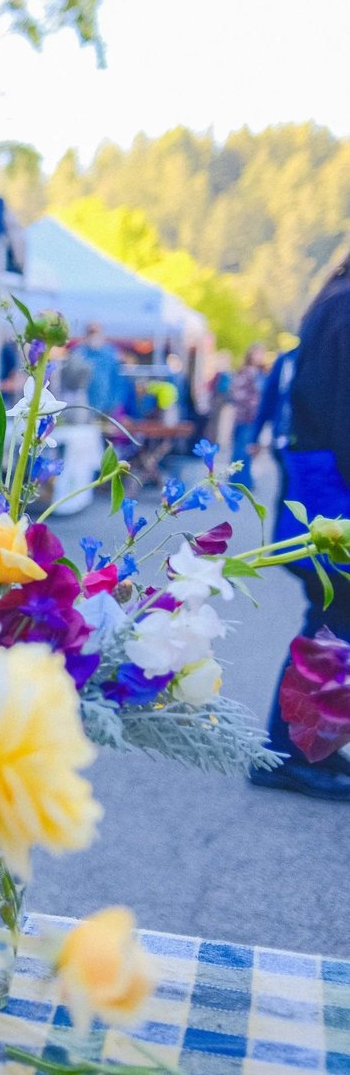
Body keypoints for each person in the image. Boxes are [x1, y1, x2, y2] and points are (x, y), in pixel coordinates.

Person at [250, 250, 350, 800]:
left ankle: (309, 746)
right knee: (333, 622)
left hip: (323, 484)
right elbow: (343, 416)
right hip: (333, 493)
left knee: (334, 620)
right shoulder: (345, 308)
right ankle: (290, 751)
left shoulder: (334, 301)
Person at [227, 344, 266, 489]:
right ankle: (239, 482)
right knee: (242, 450)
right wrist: (253, 406)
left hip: (248, 417)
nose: (260, 357)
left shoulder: (257, 372)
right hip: (246, 417)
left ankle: (242, 481)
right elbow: (237, 394)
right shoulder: (248, 372)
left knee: (245, 450)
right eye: (258, 353)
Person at [73, 323, 122, 415]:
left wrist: (114, 403)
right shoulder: (78, 352)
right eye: (91, 332)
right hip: (82, 403)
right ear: (86, 333)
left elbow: (117, 380)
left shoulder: (110, 353)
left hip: (106, 404)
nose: (93, 335)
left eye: (96, 331)